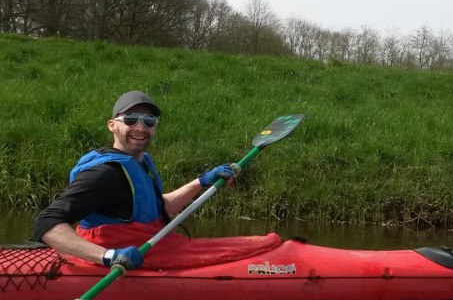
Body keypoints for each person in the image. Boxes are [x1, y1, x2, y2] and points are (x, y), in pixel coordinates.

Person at [33, 91, 281, 271]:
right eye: (130, 119)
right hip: (114, 256)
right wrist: (109, 256)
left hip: (148, 245)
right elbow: (47, 223)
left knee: (258, 243)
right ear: (112, 125)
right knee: (253, 248)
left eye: (149, 122)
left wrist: (202, 181)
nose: (140, 127)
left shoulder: (140, 163)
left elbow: (157, 208)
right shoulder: (103, 173)